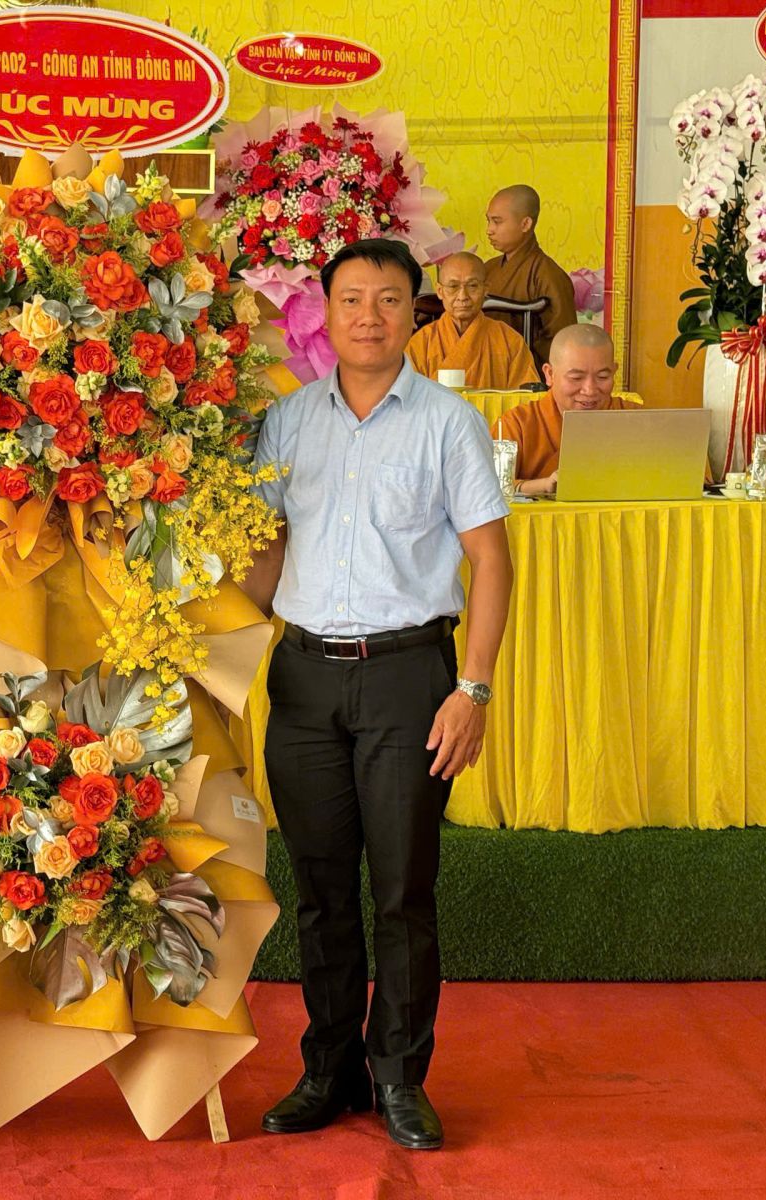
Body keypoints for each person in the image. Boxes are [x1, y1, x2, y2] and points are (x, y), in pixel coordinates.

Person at [245, 238, 513, 1151]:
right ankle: (329, 1068)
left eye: (389, 299)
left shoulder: (447, 422)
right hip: (304, 679)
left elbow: (489, 560)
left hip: (409, 677)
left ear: (414, 312)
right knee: (319, 890)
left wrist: (472, 689)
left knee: (401, 889)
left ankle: (399, 1075)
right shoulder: (286, 423)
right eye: (352, 298)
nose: (369, 315)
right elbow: (265, 552)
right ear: (324, 312)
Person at [492, 323, 639, 496]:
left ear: (614, 372)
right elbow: (486, 485)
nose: (590, 390)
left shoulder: (635, 419)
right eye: (576, 378)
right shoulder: (518, 424)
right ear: (549, 374)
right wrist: (543, 485)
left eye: (602, 377)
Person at [406, 252, 539, 390]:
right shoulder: (421, 344)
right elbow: (408, 398)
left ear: (485, 289)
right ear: (440, 291)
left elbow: (527, 398)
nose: (462, 296)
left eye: (472, 286)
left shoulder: (510, 341)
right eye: (453, 286)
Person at [482, 185, 578, 365]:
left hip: (527, 372)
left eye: (497, 222)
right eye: (488, 221)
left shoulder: (549, 275)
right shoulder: (487, 269)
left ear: (525, 224)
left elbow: (562, 341)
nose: (489, 230)